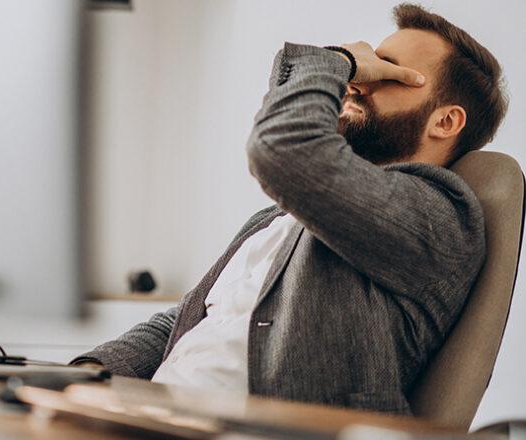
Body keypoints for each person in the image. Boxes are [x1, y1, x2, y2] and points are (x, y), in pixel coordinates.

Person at [72, 3, 508, 415]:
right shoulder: (279, 220)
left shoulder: (439, 218)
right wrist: (86, 373)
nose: (357, 81)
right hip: (157, 417)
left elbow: (282, 149)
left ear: (445, 121)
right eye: (369, 65)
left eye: (389, 73)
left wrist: (336, 60)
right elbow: (192, 319)